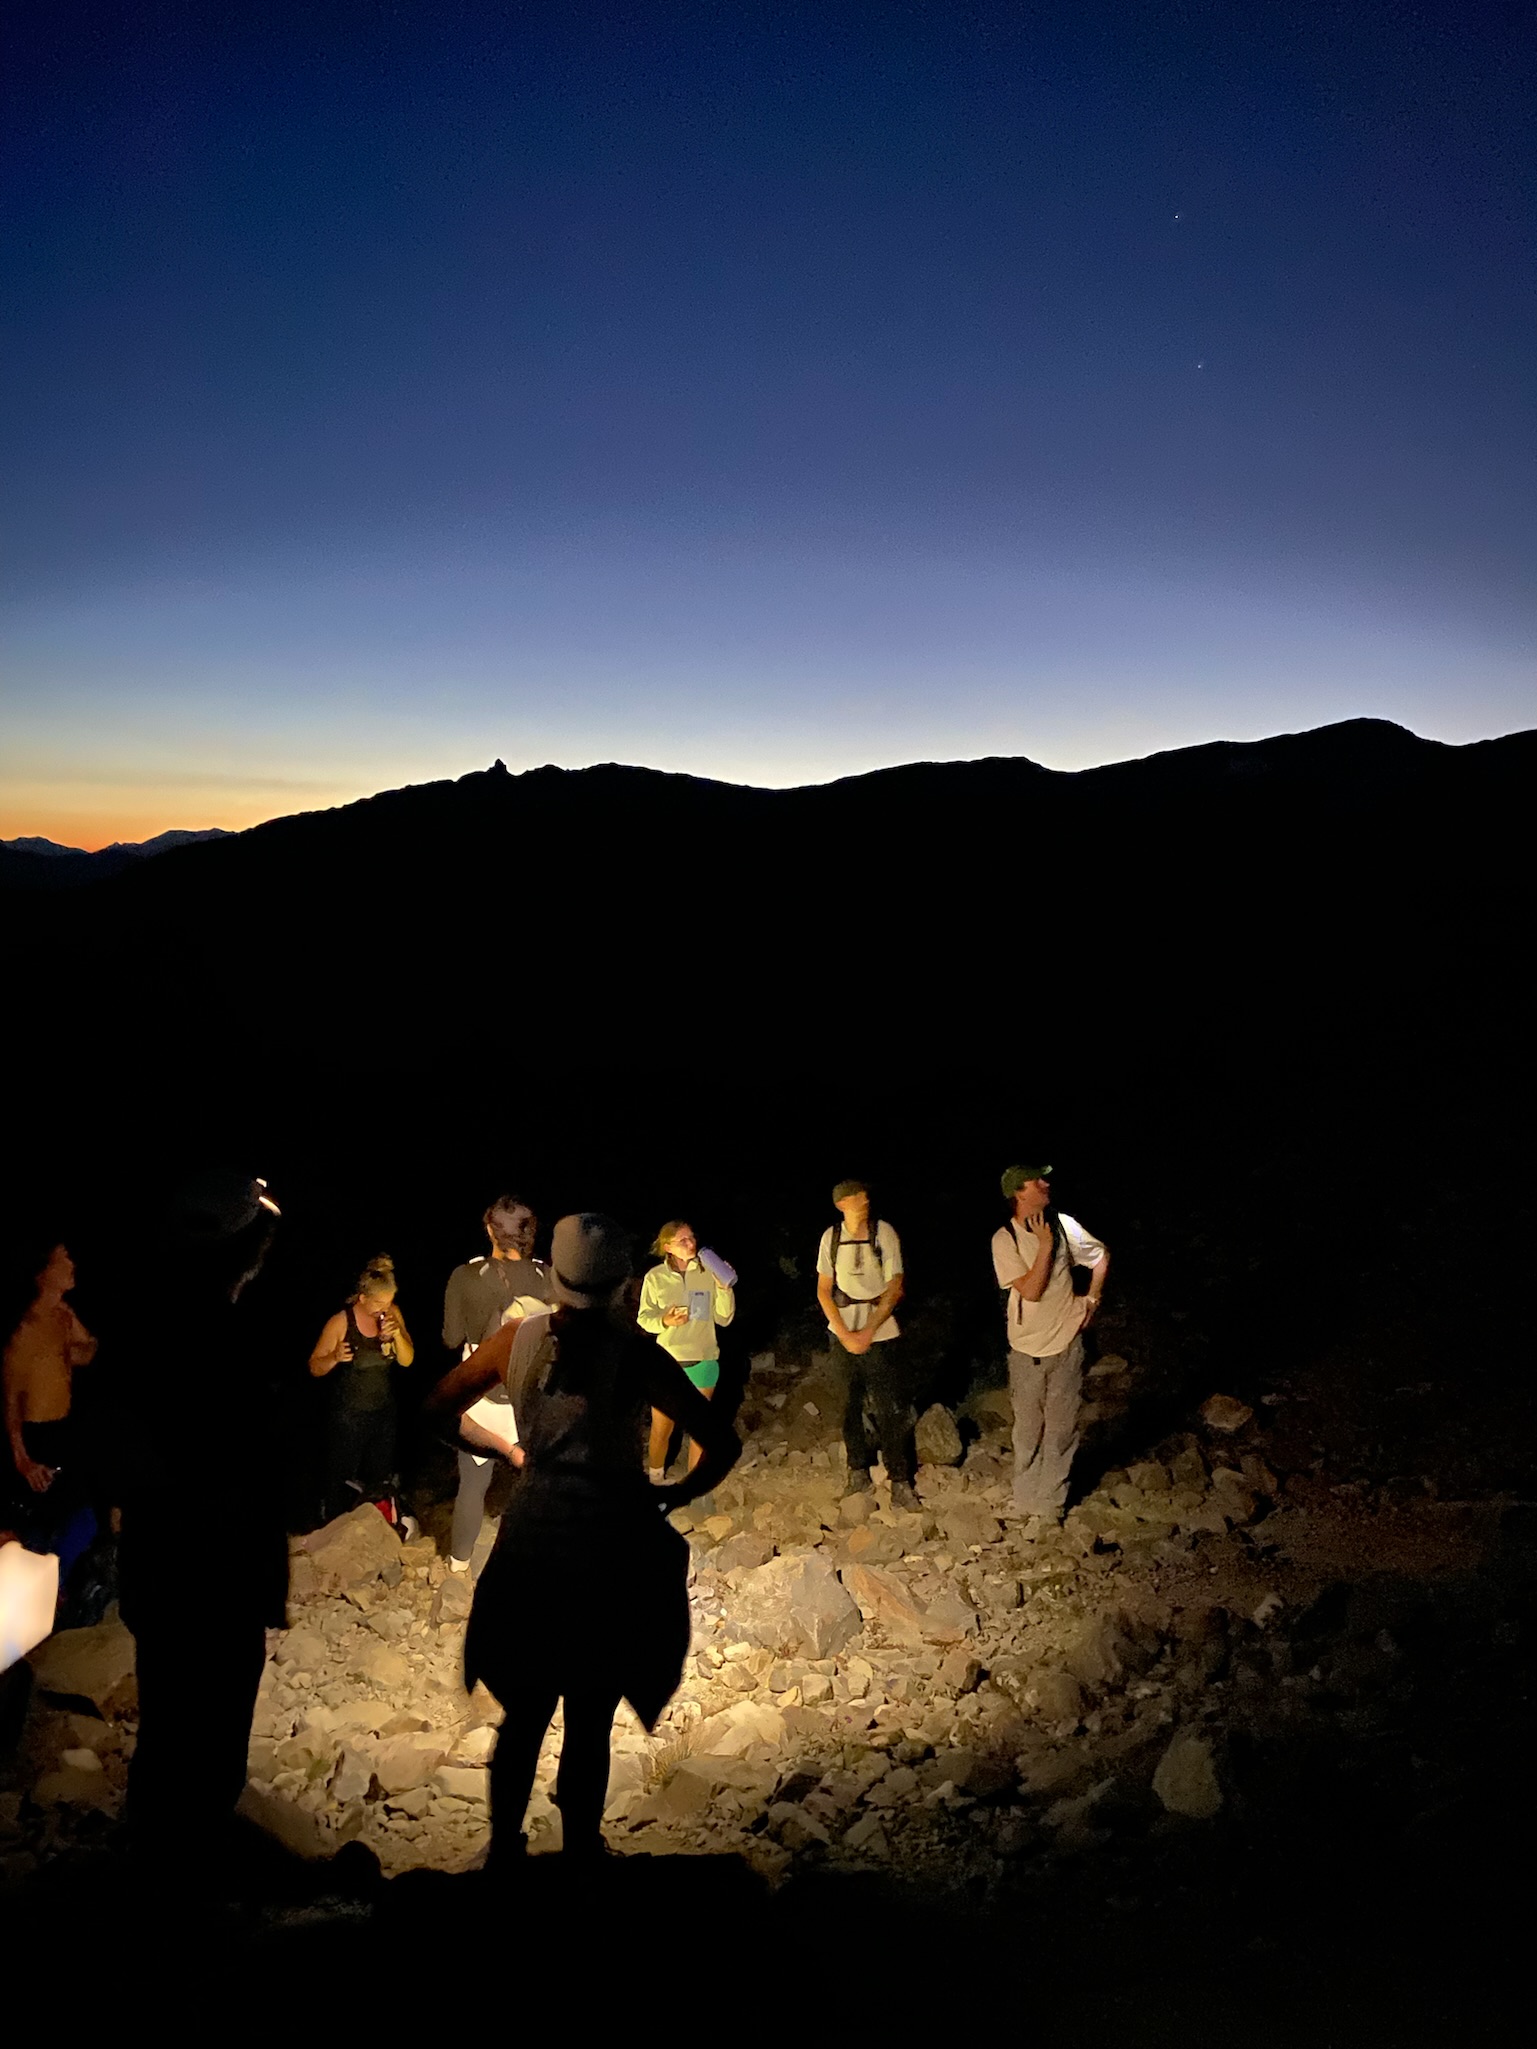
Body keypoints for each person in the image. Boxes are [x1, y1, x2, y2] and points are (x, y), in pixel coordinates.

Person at [431, 1213, 738, 1867]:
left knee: (524, 1711)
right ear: (622, 1281)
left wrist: (507, 1450)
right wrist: (674, 1494)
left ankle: (505, 1852)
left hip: (534, 1536)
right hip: (609, 1542)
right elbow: (721, 1440)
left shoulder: (517, 1339)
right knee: (591, 1712)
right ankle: (580, 1854)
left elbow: (436, 1408)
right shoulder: (635, 1352)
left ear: (557, 1279)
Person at [101, 1167, 288, 1867]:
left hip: (164, 1561)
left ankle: (158, 1851)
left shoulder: (143, 1330)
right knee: (210, 1725)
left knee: (168, 1716)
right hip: (215, 1562)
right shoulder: (228, 1342)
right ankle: (190, 1866)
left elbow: (126, 1454)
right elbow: (249, 1469)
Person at [440, 1195, 555, 1571]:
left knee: (473, 1484)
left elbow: (451, 1338)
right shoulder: (547, 1276)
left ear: (490, 1231)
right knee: (538, 1480)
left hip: (482, 1394)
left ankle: (459, 1565)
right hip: (532, 1395)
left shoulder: (465, 1276)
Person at [991, 1162, 1109, 1523]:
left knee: (1061, 1429)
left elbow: (1100, 1257)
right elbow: (1031, 1290)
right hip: (1027, 1349)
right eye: (1036, 1181)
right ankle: (1024, 1497)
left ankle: (1050, 1505)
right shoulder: (1004, 1239)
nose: (1045, 1184)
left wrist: (1092, 1299)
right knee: (1028, 1429)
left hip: (1066, 1343)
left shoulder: (1063, 1225)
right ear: (1018, 1193)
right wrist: (1044, 1247)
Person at [2, 1239, 99, 1589]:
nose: (72, 1265)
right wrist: (22, 1459)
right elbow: (11, 1400)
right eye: (64, 1260)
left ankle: (54, 1581)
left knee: (81, 1517)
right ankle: (41, 1587)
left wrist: (72, 1344)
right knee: (44, 1523)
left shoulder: (62, 1315)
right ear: (43, 1273)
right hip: (34, 1436)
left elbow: (87, 1352)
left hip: (63, 1429)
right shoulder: (23, 1330)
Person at [815, 1178, 916, 1509]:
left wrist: (868, 1331)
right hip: (843, 1328)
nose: (865, 1198)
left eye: (864, 1194)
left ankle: (899, 1478)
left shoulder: (883, 1233)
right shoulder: (831, 1238)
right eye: (856, 1196)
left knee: (890, 1407)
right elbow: (824, 1290)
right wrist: (845, 1334)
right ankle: (857, 1470)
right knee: (848, 1406)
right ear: (841, 1204)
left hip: (881, 1330)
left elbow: (895, 1286)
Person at [309, 1254, 415, 1524]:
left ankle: (378, 1528)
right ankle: (334, 1526)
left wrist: (397, 1335)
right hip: (349, 1416)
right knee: (341, 1478)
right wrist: (334, 1357)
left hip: (383, 1413)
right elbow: (314, 1366)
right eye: (379, 1303)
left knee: (380, 1477)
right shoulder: (341, 1322)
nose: (384, 1309)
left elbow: (407, 1360)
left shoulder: (392, 1314)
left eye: (389, 1302)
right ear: (363, 1298)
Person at [637, 1220, 735, 1481]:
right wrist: (665, 1320)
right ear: (667, 1246)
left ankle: (695, 1484)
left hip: (703, 1358)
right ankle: (656, 1480)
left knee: (700, 1430)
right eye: (683, 1240)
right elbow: (644, 1318)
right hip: (667, 1363)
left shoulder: (708, 1270)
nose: (691, 1243)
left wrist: (724, 1288)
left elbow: (724, 1318)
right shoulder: (655, 1277)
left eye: (692, 1237)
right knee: (662, 1428)